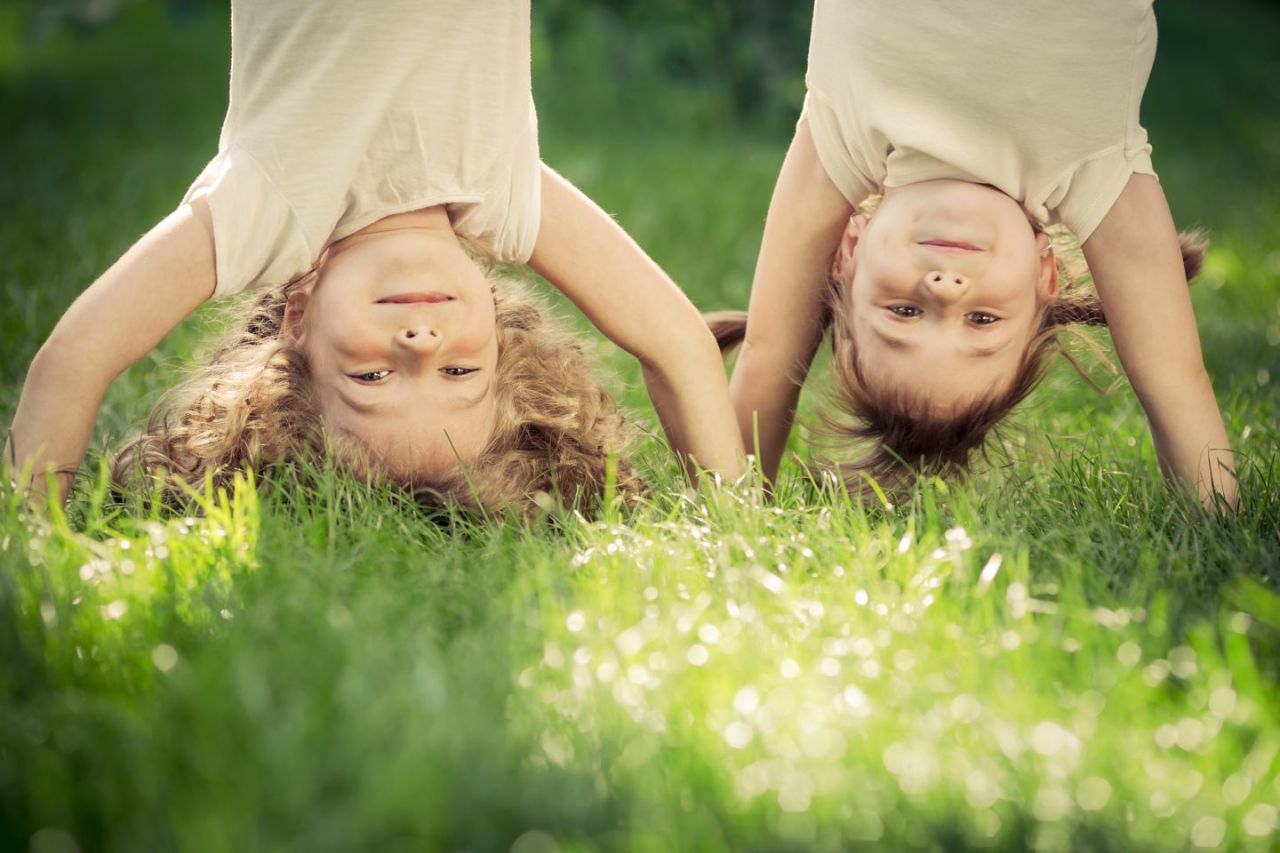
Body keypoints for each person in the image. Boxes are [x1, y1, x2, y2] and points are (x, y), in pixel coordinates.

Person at [6, 0, 744, 510]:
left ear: (296, 321)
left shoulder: (266, 208)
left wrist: (31, 549)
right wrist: (737, 532)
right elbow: (680, 346)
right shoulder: (502, 192)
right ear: (495, 322)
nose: (421, 344)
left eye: (372, 375)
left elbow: (74, 360)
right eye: (459, 371)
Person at [712, 0, 1237, 508]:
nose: (944, 290)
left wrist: (731, 517)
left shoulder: (843, 140)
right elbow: (1174, 379)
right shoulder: (1094, 173)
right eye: (982, 320)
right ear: (1044, 276)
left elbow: (769, 350)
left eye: (903, 312)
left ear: (848, 254)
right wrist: (1219, 531)